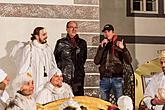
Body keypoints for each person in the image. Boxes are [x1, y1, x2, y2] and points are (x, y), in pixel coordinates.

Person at [94, 24, 132, 102]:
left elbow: (129, 61)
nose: (107, 33)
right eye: (105, 32)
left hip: (117, 78)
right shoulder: (103, 45)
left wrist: (123, 49)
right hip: (104, 78)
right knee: (104, 103)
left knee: (120, 102)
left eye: (109, 31)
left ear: (113, 32)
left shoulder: (119, 44)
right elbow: (96, 61)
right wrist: (101, 48)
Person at [11, 27, 57, 92]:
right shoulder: (29, 48)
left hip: (47, 80)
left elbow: (53, 65)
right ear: (36, 36)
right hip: (35, 80)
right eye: (43, 35)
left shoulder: (48, 48)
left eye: (46, 34)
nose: (46, 36)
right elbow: (24, 68)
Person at [54, 21, 87, 96]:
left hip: (78, 77)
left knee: (78, 98)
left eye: (75, 27)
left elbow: (84, 58)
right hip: (64, 76)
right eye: (71, 27)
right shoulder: (60, 43)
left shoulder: (82, 43)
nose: (74, 29)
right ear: (67, 29)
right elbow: (56, 59)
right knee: (64, 97)